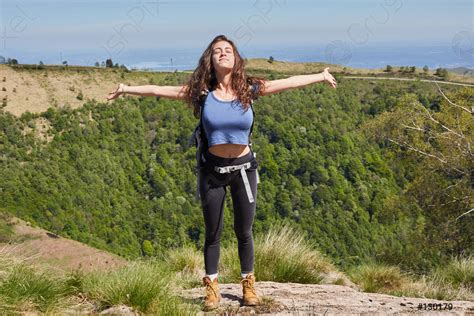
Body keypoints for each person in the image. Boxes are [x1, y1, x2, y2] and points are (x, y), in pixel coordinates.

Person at [107, 34, 337, 311]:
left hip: (244, 170)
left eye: (228, 50)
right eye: (218, 51)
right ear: (211, 60)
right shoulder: (202, 93)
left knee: (244, 231)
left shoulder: (249, 89)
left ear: (236, 58)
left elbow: (286, 83)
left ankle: (248, 285)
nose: (224, 53)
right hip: (212, 171)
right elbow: (158, 89)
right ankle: (212, 288)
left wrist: (320, 75)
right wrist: (126, 88)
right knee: (212, 233)